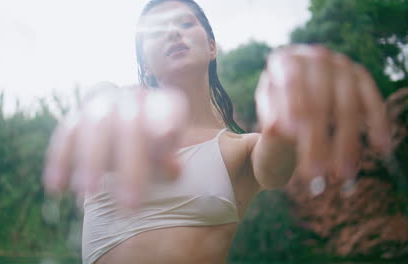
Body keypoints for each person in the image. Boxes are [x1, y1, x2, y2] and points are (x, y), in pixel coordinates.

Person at [42, 0, 392, 263]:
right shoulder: (116, 112)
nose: (172, 32)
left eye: (185, 23)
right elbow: (92, 117)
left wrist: (293, 95)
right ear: (145, 64)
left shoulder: (242, 149)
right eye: (157, 29)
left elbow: (276, 166)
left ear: (211, 47)